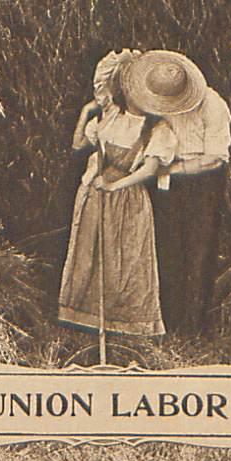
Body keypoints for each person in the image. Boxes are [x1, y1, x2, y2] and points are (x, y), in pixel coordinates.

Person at [58, 52, 177, 337]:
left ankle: (124, 328)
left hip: (127, 200)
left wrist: (115, 186)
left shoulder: (157, 129)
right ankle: (86, 322)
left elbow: (149, 170)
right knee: (89, 254)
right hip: (93, 194)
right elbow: (78, 146)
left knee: (124, 263)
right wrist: (86, 113)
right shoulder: (110, 115)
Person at [127, 50, 231, 336]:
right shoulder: (156, 97)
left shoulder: (213, 104)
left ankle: (194, 328)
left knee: (197, 250)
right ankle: (167, 323)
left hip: (202, 183)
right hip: (165, 180)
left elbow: (215, 157)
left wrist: (172, 171)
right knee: (167, 247)